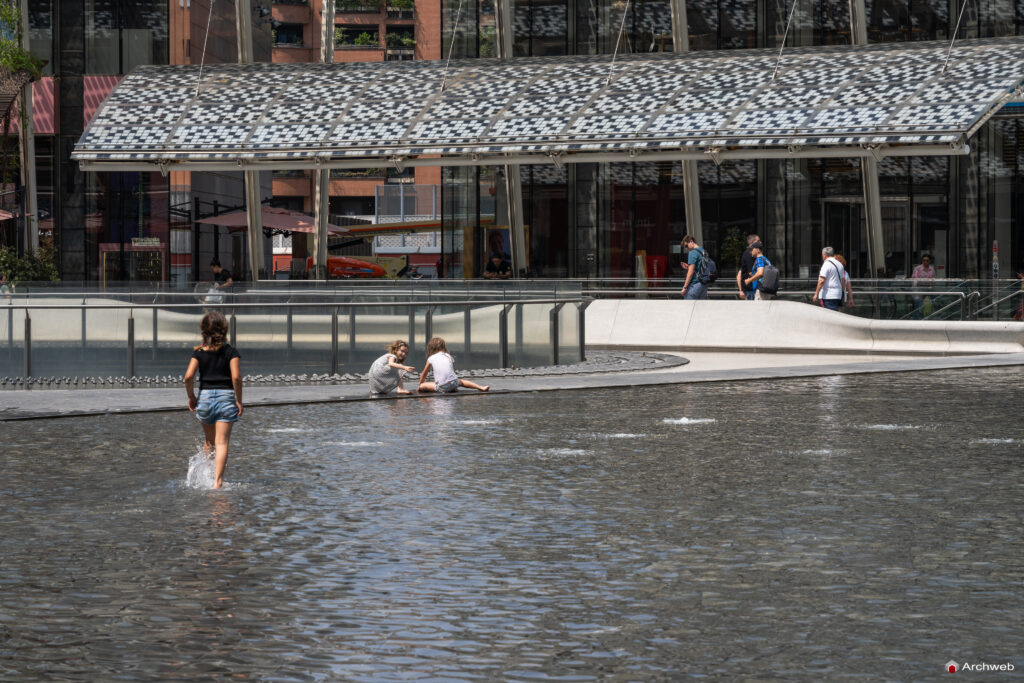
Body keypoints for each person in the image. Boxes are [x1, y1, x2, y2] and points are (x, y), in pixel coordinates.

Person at [184, 310, 242, 490]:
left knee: (209, 442)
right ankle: (217, 482)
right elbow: (236, 378)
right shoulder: (231, 351)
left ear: (204, 331)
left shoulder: (198, 353)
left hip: (205, 399)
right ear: (224, 330)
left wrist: (191, 396)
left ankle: (206, 476)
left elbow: (188, 377)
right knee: (222, 442)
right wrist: (239, 400)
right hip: (226, 398)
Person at [418, 337, 489, 393]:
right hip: (454, 382)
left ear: (431, 348)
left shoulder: (431, 358)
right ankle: (481, 387)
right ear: (443, 347)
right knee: (461, 382)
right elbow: (450, 371)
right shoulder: (448, 356)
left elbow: (424, 374)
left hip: (443, 387)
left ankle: (448, 388)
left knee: (423, 386)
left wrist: (420, 385)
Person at [812, 246, 845, 311]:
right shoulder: (840, 264)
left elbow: (821, 280)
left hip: (829, 295)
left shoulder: (826, 264)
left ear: (824, 255)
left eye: (822, 255)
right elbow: (843, 281)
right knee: (835, 315)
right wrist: (842, 292)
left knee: (830, 316)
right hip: (838, 295)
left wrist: (816, 294)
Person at [679, 234, 709, 300]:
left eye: (686, 246)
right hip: (704, 285)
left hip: (695, 284)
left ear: (691, 241)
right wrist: (688, 267)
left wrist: (685, 287)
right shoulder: (703, 251)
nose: (687, 248)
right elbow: (700, 267)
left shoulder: (693, 253)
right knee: (700, 308)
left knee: (688, 307)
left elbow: (691, 272)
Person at [910, 254, 936, 318]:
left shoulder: (932, 269)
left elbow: (934, 279)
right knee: (919, 305)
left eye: (927, 260)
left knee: (932, 303)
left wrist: (932, 285)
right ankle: (918, 319)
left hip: (929, 289)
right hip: (920, 289)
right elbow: (914, 278)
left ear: (929, 261)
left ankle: (930, 317)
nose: (925, 262)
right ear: (922, 261)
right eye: (924, 260)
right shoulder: (917, 268)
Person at [736, 234, 760, 300]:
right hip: (750, 288)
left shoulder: (748, 254)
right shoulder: (749, 254)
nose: (760, 242)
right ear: (752, 242)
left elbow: (739, 274)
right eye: (758, 241)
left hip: (750, 288)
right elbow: (750, 273)